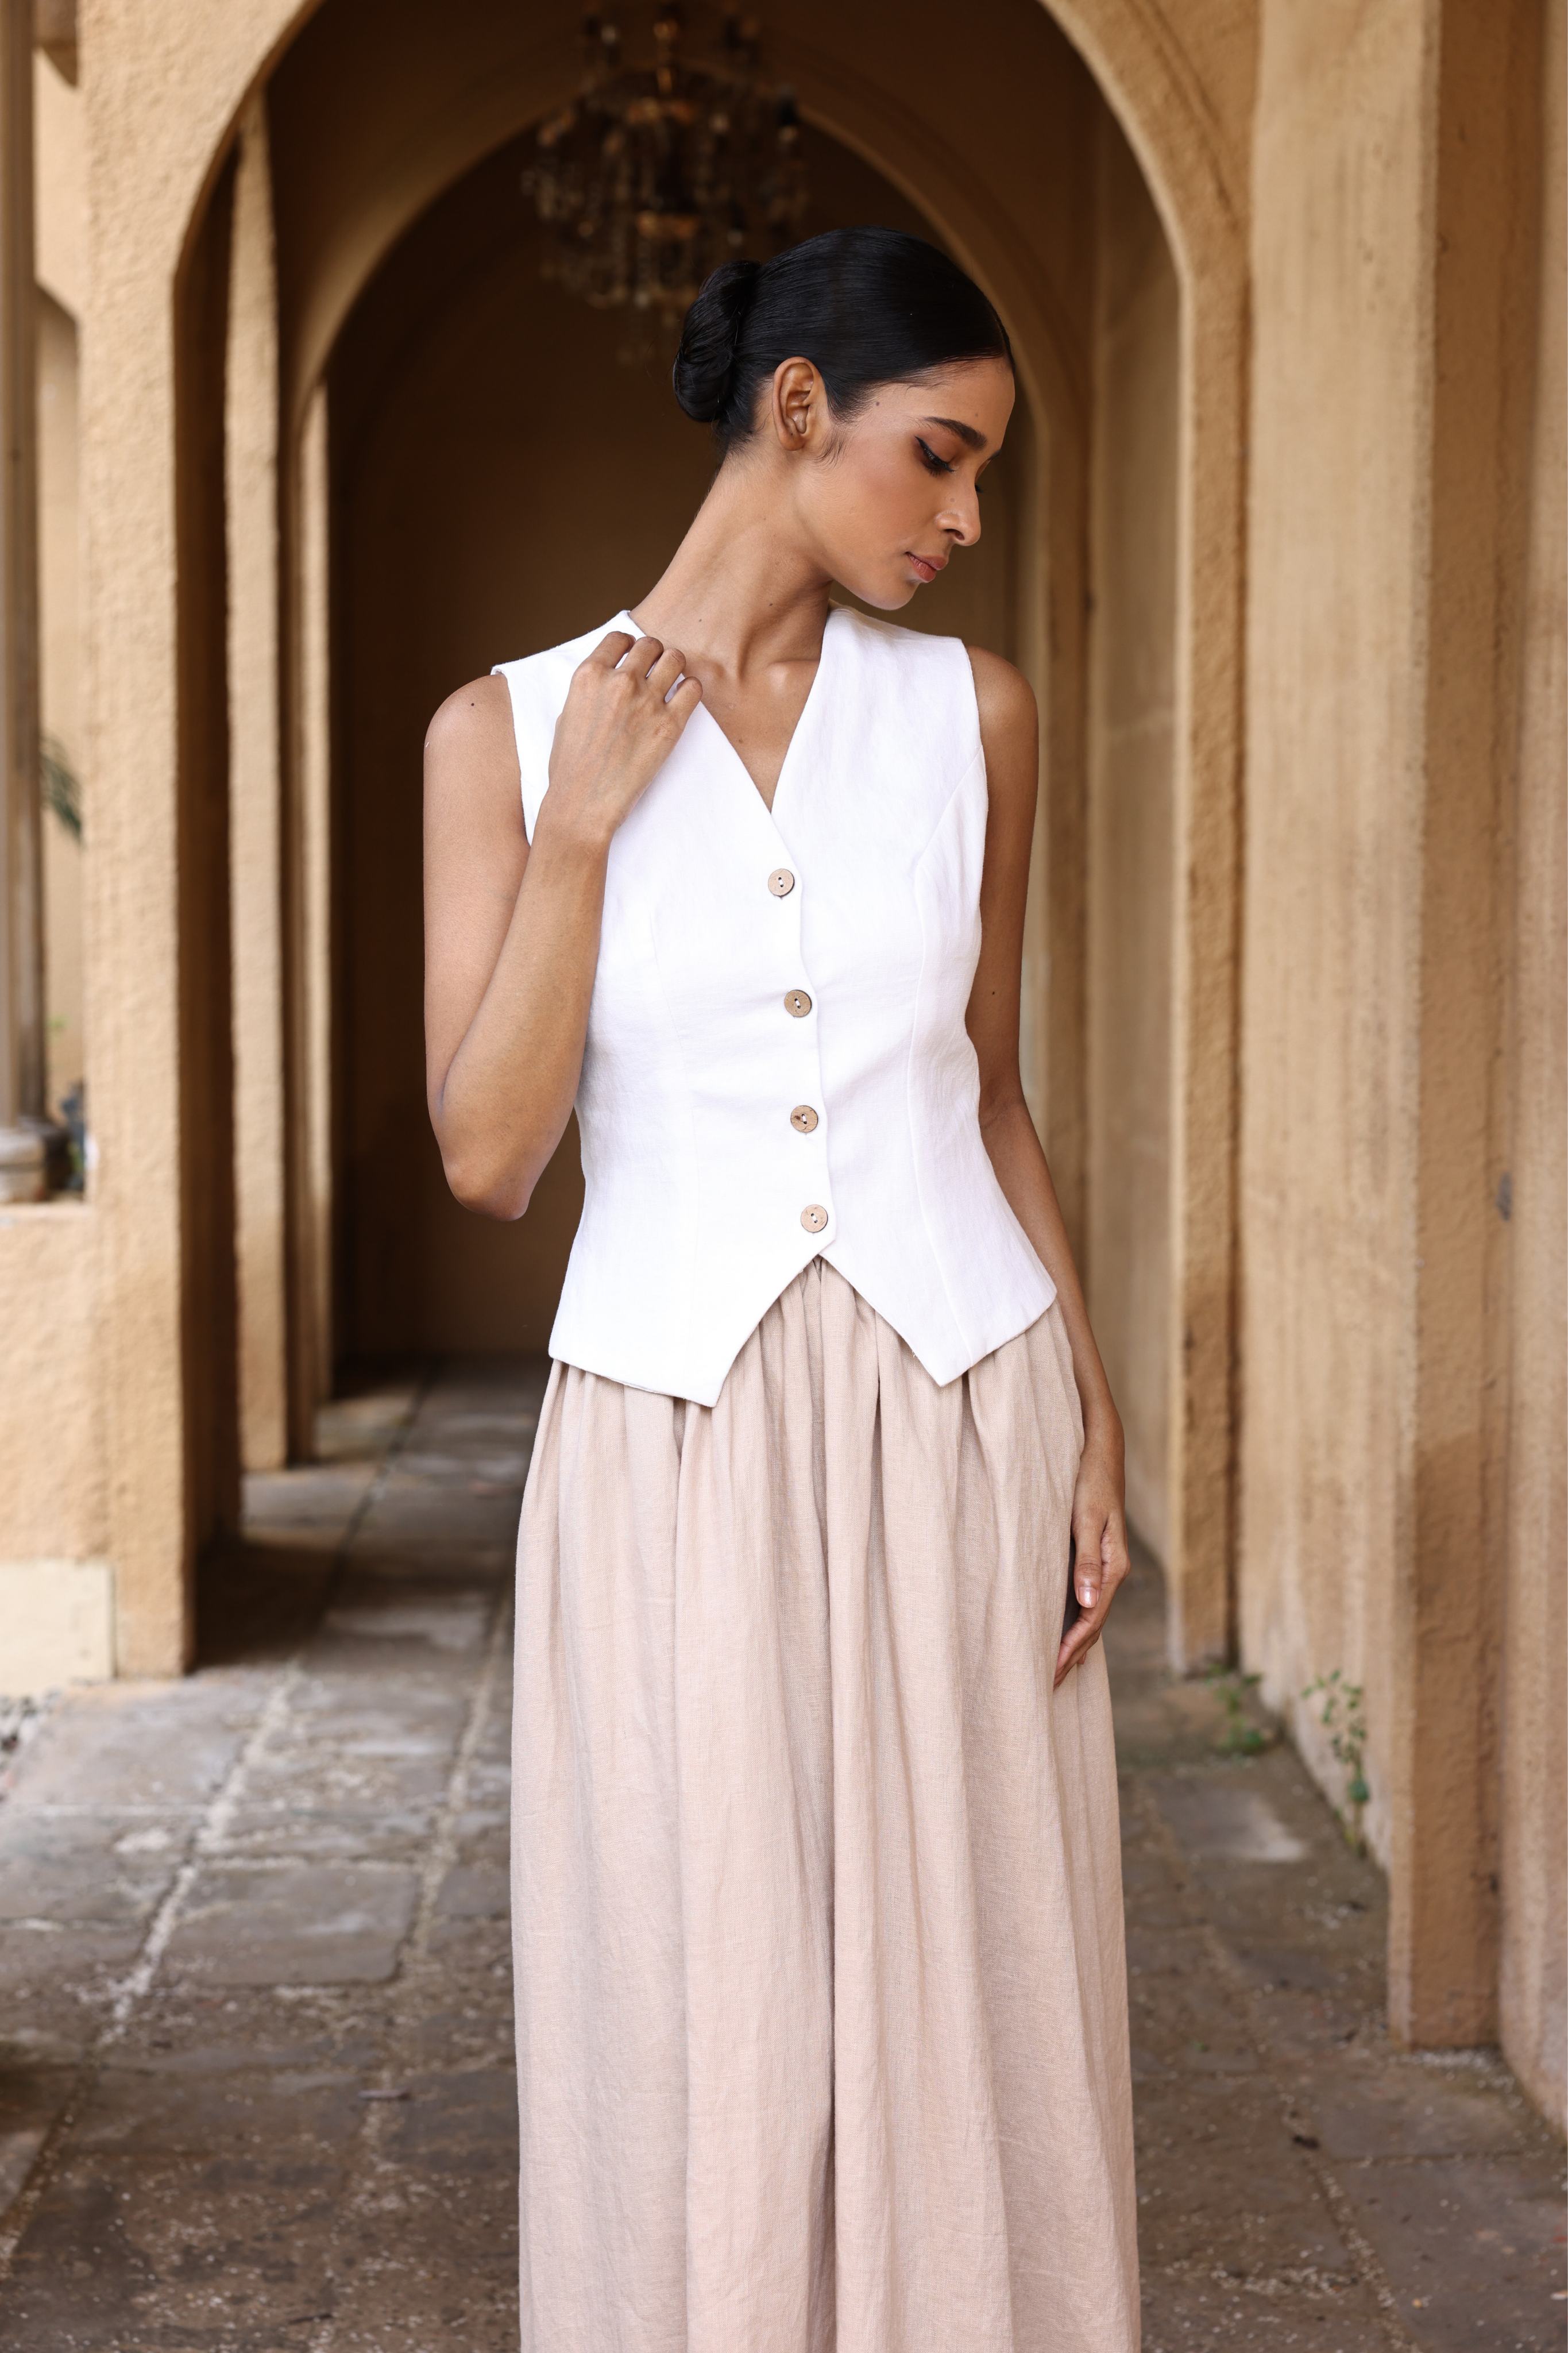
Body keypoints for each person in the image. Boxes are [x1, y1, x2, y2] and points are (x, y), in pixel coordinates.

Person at [423, 225, 1140, 2352]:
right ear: (799, 407)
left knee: (973, 1979)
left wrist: (1090, 1415)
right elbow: (488, 1157)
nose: (966, 516)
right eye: (939, 456)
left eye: (985, 473)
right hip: (674, 1436)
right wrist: (577, 838)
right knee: (700, 1988)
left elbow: (990, 1095)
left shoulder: (971, 716)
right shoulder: (507, 730)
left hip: (956, 1404)